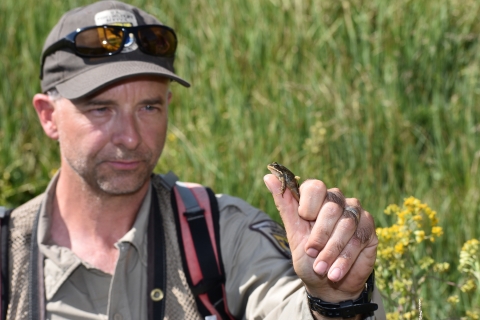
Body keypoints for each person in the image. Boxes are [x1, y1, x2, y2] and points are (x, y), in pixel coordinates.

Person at [7, 1, 386, 319]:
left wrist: (335, 298)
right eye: (102, 109)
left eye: (149, 106)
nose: (130, 136)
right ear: (47, 116)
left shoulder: (221, 236)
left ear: (168, 105)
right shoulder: (9, 256)